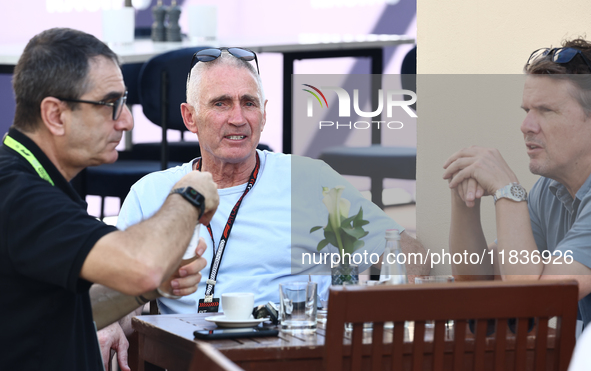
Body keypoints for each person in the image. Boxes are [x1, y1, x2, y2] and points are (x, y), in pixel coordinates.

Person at [116, 47, 427, 316]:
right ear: (189, 117)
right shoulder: (151, 194)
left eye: (249, 103)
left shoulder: (307, 181)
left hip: (291, 350)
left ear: (264, 115)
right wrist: (113, 326)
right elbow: (117, 294)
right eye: (221, 103)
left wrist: (387, 319)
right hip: (185, 354)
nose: (238, 118)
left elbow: (409, 254)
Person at [0, 28, 220, 371]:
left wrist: (151, 287)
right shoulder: (21, 196)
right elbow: (142, 265)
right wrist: (188, 193)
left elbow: (69, 310)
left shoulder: (35, 183)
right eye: (110, 104)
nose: (127, 121)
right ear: (55, 115)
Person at [443, 38, 591, 325]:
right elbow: (483, 285)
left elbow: (535, 301)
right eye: (527, 111)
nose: (526, 126)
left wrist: (506, 191)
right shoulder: (551, 190)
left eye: (546, 111)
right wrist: (464, 200)